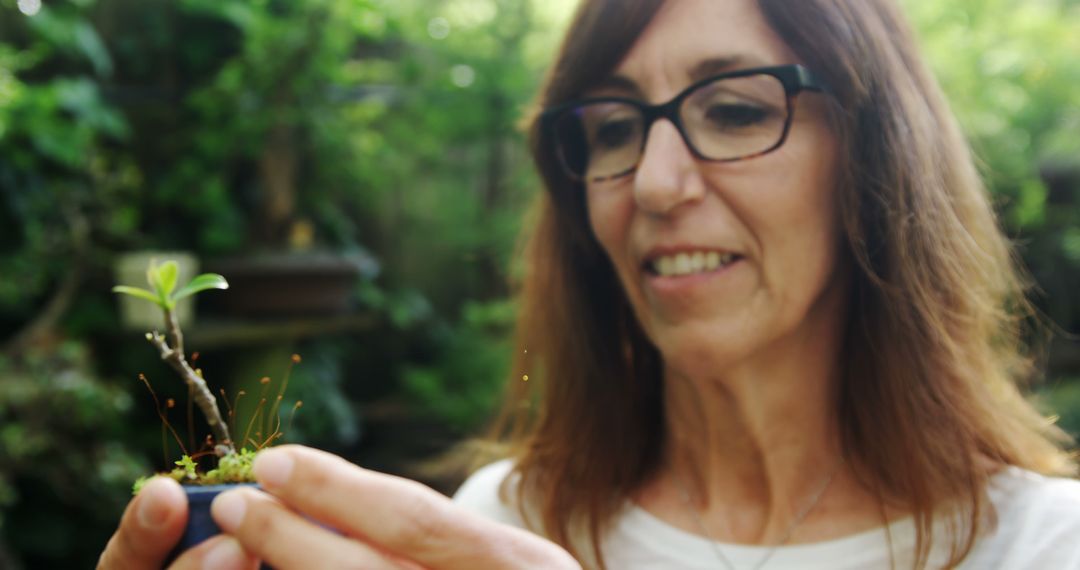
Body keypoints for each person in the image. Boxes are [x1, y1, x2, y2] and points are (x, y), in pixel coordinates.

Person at [98, 0, 1080, 568]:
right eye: (611, 128)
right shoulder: (504, 522)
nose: (652, 183)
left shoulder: (1039, 545)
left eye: (734, 110)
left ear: (877, 157)